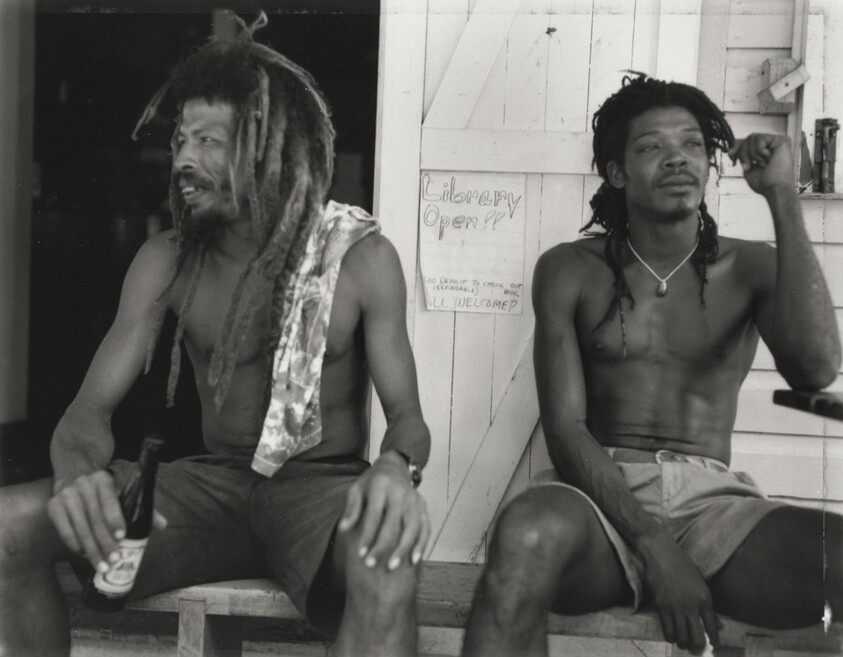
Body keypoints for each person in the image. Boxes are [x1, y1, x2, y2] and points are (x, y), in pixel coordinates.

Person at [0, 13, 430, 657]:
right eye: (180, 140)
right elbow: (89, 410)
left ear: (267, 148)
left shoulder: (360, 260)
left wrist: (396, 468)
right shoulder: (168, 259)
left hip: (321, 490)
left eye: (207, 141)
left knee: (387, 560)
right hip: (212, 489)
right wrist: (76, 475)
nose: (182, 159)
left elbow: (408, 419)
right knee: (9, 525)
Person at [462, 74, 842, 657]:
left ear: (710, 164)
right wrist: (655, 546)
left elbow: (816, 370)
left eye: (692, 144)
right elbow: (565, 430)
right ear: (617, 173)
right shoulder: (570, 269)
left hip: (715, 505)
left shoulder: (751, 267)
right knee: (525, 534)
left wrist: (782, 199)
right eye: (651, 146)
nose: (677, 158)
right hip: (598, 503)